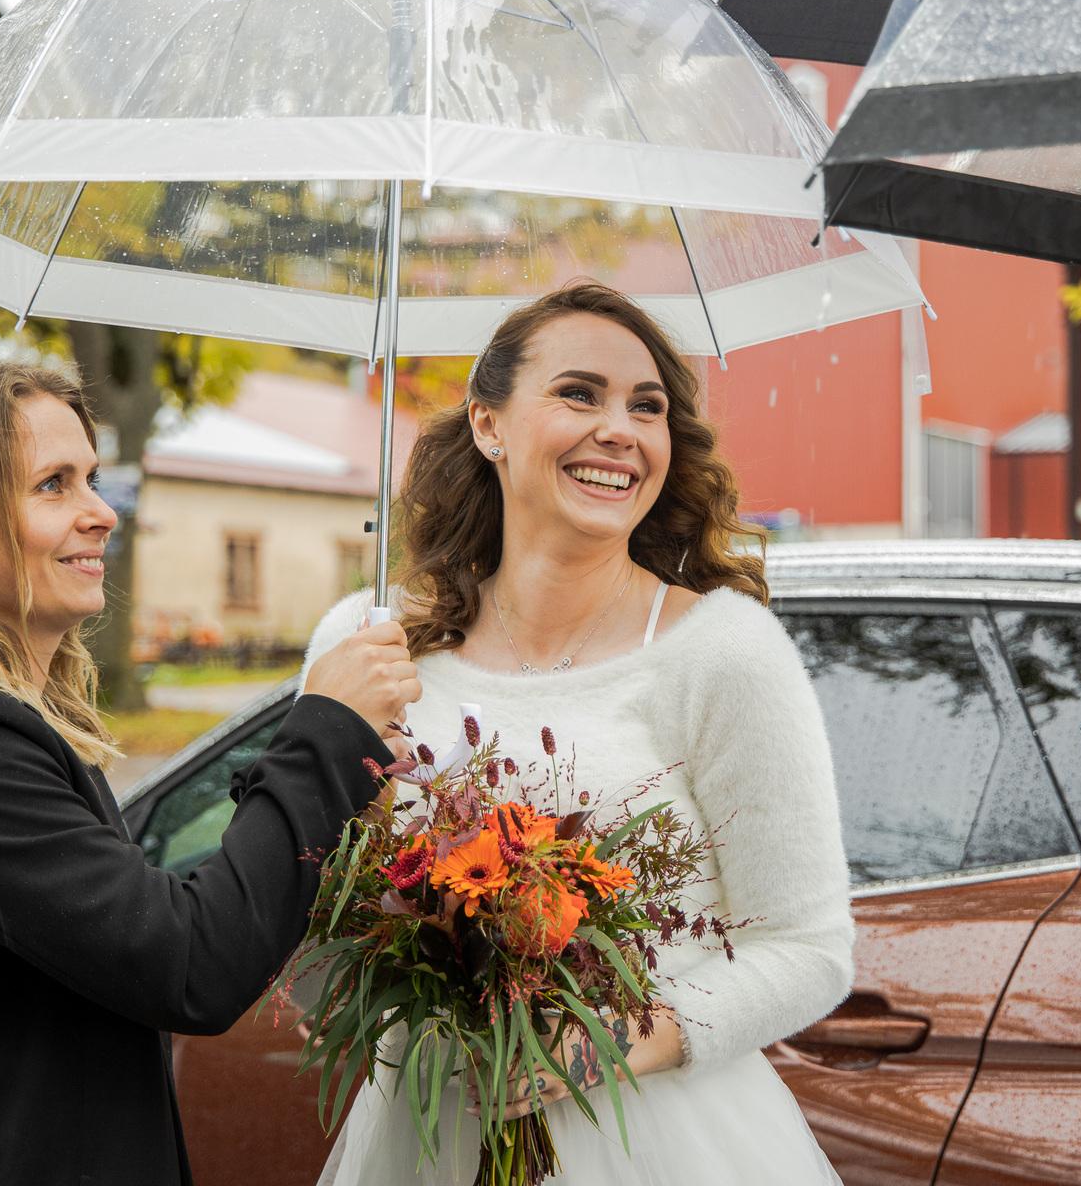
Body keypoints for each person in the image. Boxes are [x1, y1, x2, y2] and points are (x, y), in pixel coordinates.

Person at [0, 361, 422, 1185]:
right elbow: (189, 964)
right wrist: (323, 728)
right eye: (53, 486)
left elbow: (143, 928)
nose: (101, 514)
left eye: (92, 480)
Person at [312, 281, 854, 1185]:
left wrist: (611, 1039)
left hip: (661, 1141)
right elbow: (313, 914)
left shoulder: (721, 652)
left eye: (647, 408)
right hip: (427, 1134)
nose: (621, 430)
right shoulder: (367, 650)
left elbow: (807, 949)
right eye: (579, 394)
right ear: (489, 425)